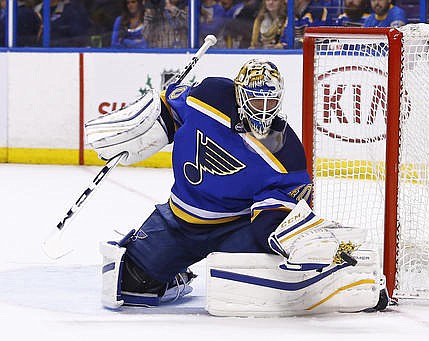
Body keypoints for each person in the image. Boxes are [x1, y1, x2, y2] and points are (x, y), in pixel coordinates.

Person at [85, 59, 387, 313]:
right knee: (128, 286)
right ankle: (176, 275)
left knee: (272, 275)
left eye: (271, 100)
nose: (264, 108)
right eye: (257, 99)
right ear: (240, 94)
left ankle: (351, 271)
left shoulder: (287, 151)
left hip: (236, 228)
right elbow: (171, 109)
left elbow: (273, 214)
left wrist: (277, 236)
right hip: (179, 220)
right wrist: (148, 128)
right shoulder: (209, 96)